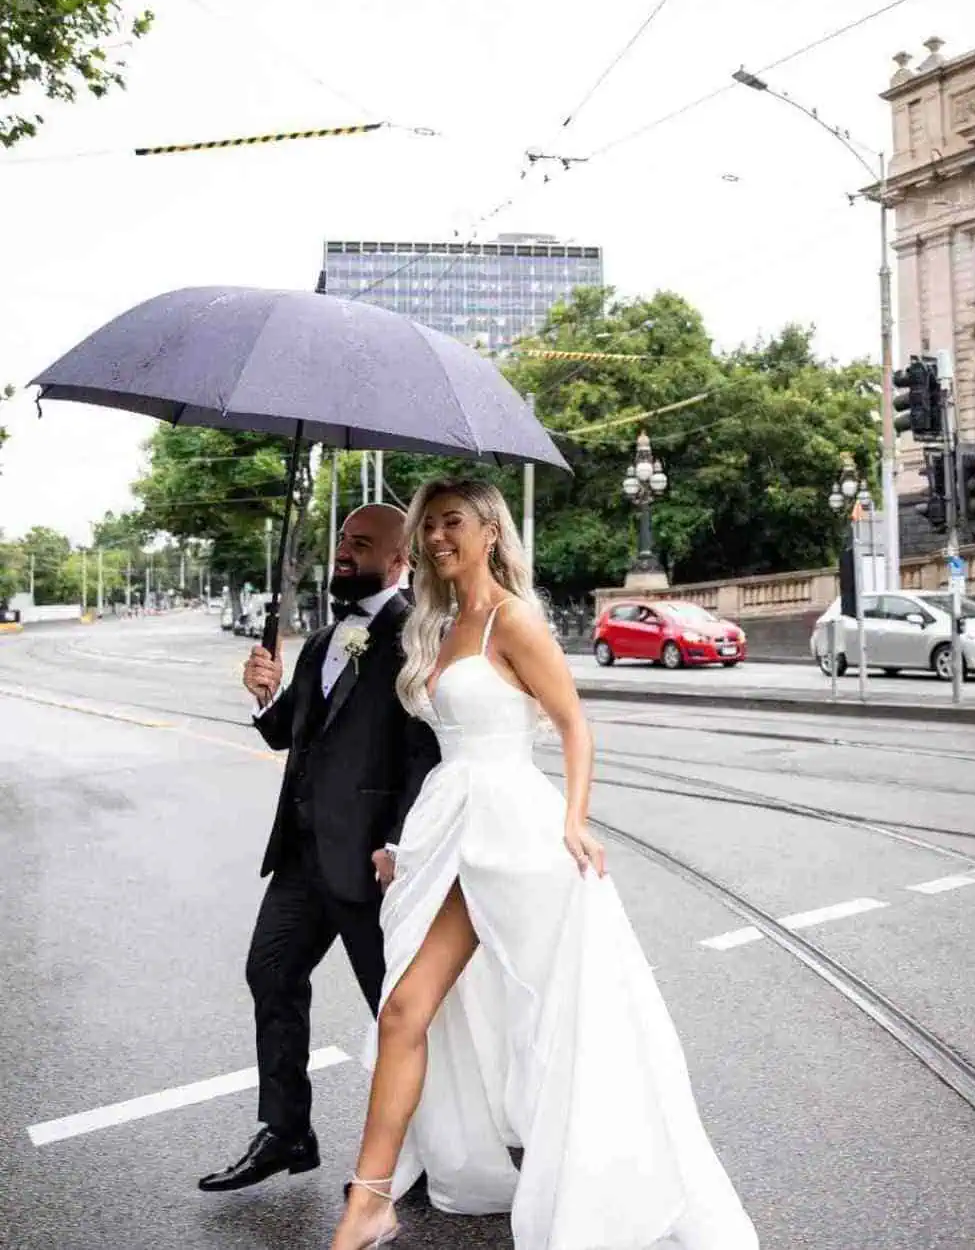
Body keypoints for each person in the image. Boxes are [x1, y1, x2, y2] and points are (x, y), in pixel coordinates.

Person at [331, 480, 757, 1250]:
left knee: (554, 1019)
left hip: (511, 835)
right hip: (448, 830)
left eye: (451, 524)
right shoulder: (437, 623)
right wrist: (409, 845)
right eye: (427, 527)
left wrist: (573, 821)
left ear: (490, 531)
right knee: (408, 1011)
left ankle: (587, 1180)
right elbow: (439, 750)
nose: (435, 539)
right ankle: (370, 1201)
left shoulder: (511, 619)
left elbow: (573, 724)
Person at [199, 504, 439, 1194]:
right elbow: (288, 736)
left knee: (393, 1011)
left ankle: (421, 1154)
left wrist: (398, 841)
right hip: (304, 858)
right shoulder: (324, 639)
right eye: (342, 540)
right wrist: (263, 696)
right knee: (270, 973)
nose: (343, 551)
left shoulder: (415, 636)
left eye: (360, 544)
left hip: (371, 864)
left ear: (399, 561)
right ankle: (287, 1131)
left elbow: (424, 752)